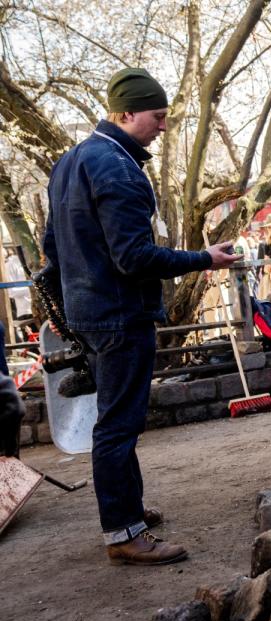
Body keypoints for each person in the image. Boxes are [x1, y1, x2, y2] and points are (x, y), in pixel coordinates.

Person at [43, 67, 239, 565]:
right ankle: (122, 534)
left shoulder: (71, 162)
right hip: (119, 315)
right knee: (117, 425)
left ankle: (128, 512)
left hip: (90, 312)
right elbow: (133, 257)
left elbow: (51, 250)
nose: (164, 126)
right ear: (127, 113)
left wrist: (64, 309)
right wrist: (203, 257)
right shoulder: (118, 168)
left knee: (117, 419)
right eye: (158, 116)